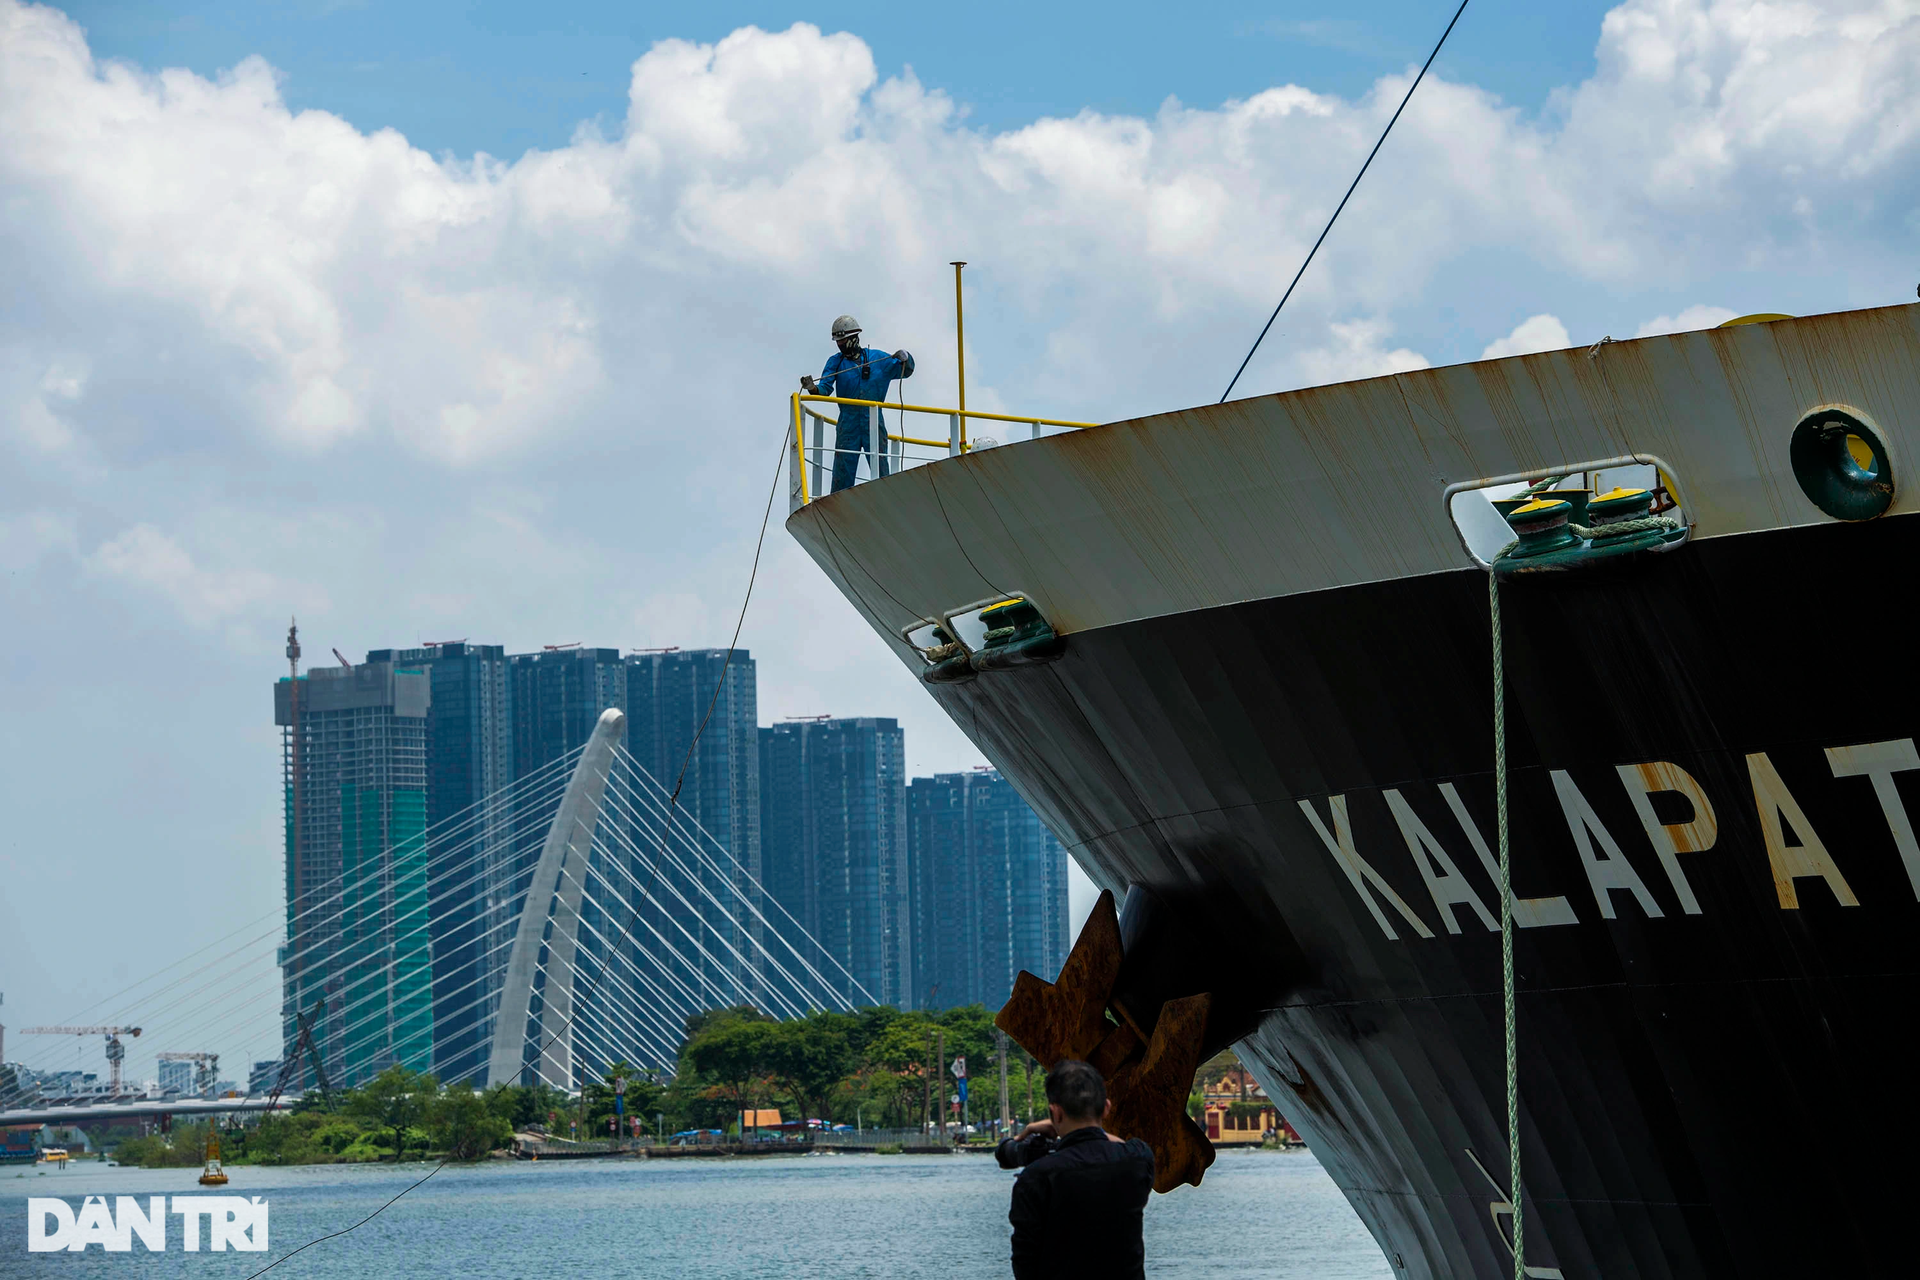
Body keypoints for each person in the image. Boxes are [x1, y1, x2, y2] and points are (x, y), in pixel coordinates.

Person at [997, 1059, 1155, 1279]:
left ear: (1056, 1112)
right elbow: (1119, 1145)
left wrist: (1038, 1135)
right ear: (1106, 1108)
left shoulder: (1036, 1178)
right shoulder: (1137, 1159)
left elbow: (1024, 1265)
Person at [801, 314, 914, 493]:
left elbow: (905, 370)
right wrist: (811, 388)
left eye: (843, 340)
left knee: (880, 469)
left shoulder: (878, 359)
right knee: (843, 472)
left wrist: (906, 357)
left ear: (854, 337)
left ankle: (886, 498)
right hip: (848, 423)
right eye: (838, 341)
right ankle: (839, 506)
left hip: (873, 421)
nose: (840, 345)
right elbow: (825, 389)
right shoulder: (836, 362)